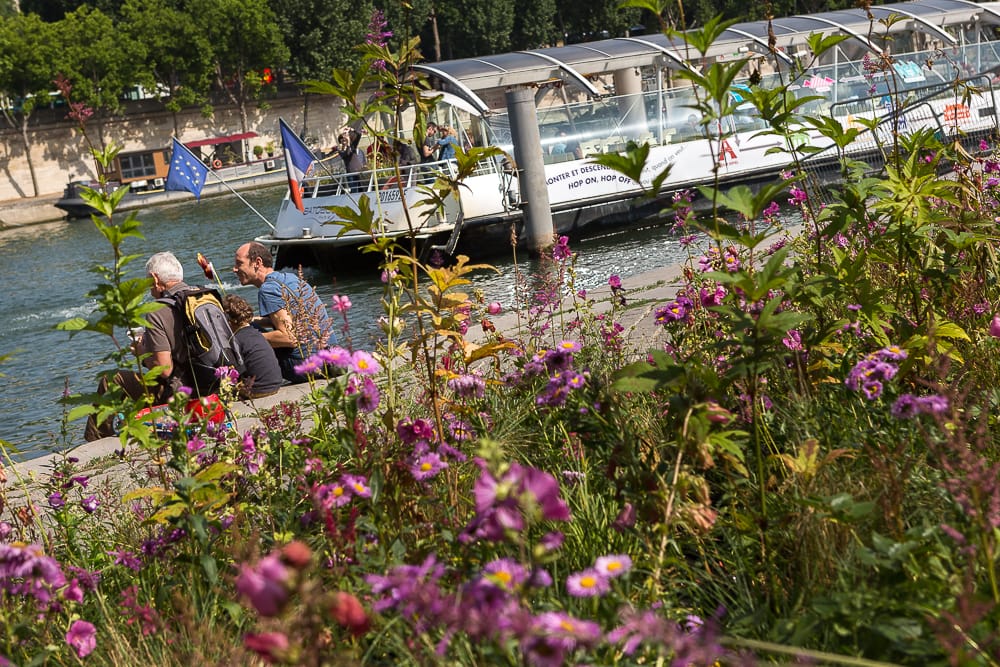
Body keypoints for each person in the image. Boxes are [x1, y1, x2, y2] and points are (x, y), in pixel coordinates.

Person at [85, 252, 200, 441]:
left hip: (183, 391)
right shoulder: (203, 296)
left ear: (155, 279)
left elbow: (163, 370)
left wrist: (142, 353)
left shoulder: (158, 311)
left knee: (111, 379)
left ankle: (94, 442)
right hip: (212, 382)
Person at [232, 242, 333, 384]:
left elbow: (288, 338)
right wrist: (251, 320)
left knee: (243, 334)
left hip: (306, 366)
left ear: (257, 262)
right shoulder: (290, 278)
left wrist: (245, 340)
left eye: (239, 263)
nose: (234, 269)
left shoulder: (267, 289)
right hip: (330, 357)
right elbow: (290, 321)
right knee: (248, 326)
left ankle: (255, 384)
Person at [221, 294, 283, 398]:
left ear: (228, 321)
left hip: (257, 389)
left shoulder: (236, 340)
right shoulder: (257, 333)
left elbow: (237, 369)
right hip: (275, 384)